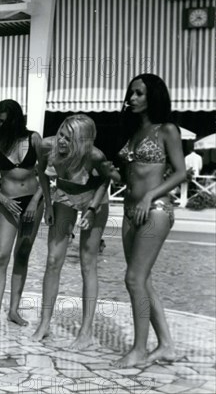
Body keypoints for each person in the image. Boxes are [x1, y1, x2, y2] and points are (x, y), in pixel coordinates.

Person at [112, 73, 186, 367]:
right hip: (130, 211)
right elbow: (131, 175)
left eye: (139, 93)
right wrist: (109, 173)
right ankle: (166, 345)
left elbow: (181, 173)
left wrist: (148, 196)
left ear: (153, 96)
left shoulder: (166, 130)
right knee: (143, 281)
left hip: (154, 209)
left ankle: (139, 349)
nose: (132, 98)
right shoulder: (134, 132)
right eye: (131, 93)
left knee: (133, 279)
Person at [31, 114, 112, 350]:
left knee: (88, 263)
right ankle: (44, 323)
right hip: (64, 195)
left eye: (69, 138)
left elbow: (105, 181)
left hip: (93, 199)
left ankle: (85, 332)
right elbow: (41, 172)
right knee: (53, 259)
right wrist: (47, 204)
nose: (62, 141)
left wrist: (92, 210)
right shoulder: (46, 146)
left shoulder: (95, 156)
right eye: (61, 135)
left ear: (82, 141)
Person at [0, 99, 45, 330]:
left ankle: (13, 310)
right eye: (0, 121)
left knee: (22, 254)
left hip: (32, 203)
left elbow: (45, 175)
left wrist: (36, 201)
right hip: (8, 202)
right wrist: (3, 199)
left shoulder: (34, 138)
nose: (3, 125)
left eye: (7, 121)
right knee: (0, 256)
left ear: (17, 120)